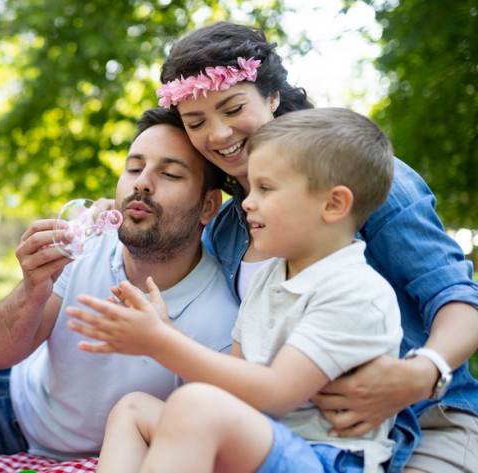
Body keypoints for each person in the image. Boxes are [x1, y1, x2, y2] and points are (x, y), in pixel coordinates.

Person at [157, 21, 478, 473]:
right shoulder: (227, 227)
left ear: (271, 96)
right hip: (297, 435)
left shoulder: (357, 182)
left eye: (232, 108)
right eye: (196, 122)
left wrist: (418, 374)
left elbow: (460, 300)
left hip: (426, 421)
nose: (219, 133)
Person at [70, 107, 401, 472]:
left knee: (196, 405)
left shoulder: (353, 289)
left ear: (333, 204)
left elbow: (275, 392)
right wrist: (166, 331)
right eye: (251, 187)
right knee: (133, 408)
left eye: (266, 188)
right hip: (264, 442)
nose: (246, 202)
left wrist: (159, 343)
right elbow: (234, 382)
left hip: (325, 459)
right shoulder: (269, 277)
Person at [0, 107, 241, 460]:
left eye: (170, 174)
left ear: (208, 207)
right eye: (134, 168)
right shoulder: (84, 248)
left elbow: (216, 442)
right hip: (5, 405)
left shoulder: (220, 321)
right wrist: (31, 289)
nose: (141, 183)